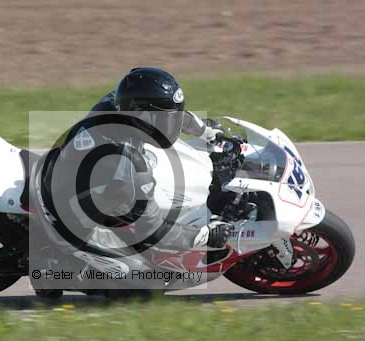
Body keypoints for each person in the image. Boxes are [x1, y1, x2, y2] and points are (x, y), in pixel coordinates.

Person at [35, 67, 234, 263]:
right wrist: (206, 235)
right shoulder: (126, 167)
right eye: (163, 120)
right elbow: (153, 233)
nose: (170, 126)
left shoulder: (115, 103)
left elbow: (165, 110)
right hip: (70, 222)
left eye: (171, 118)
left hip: (58, 171)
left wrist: (206, 132)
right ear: (138, 115)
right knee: (144, 275)